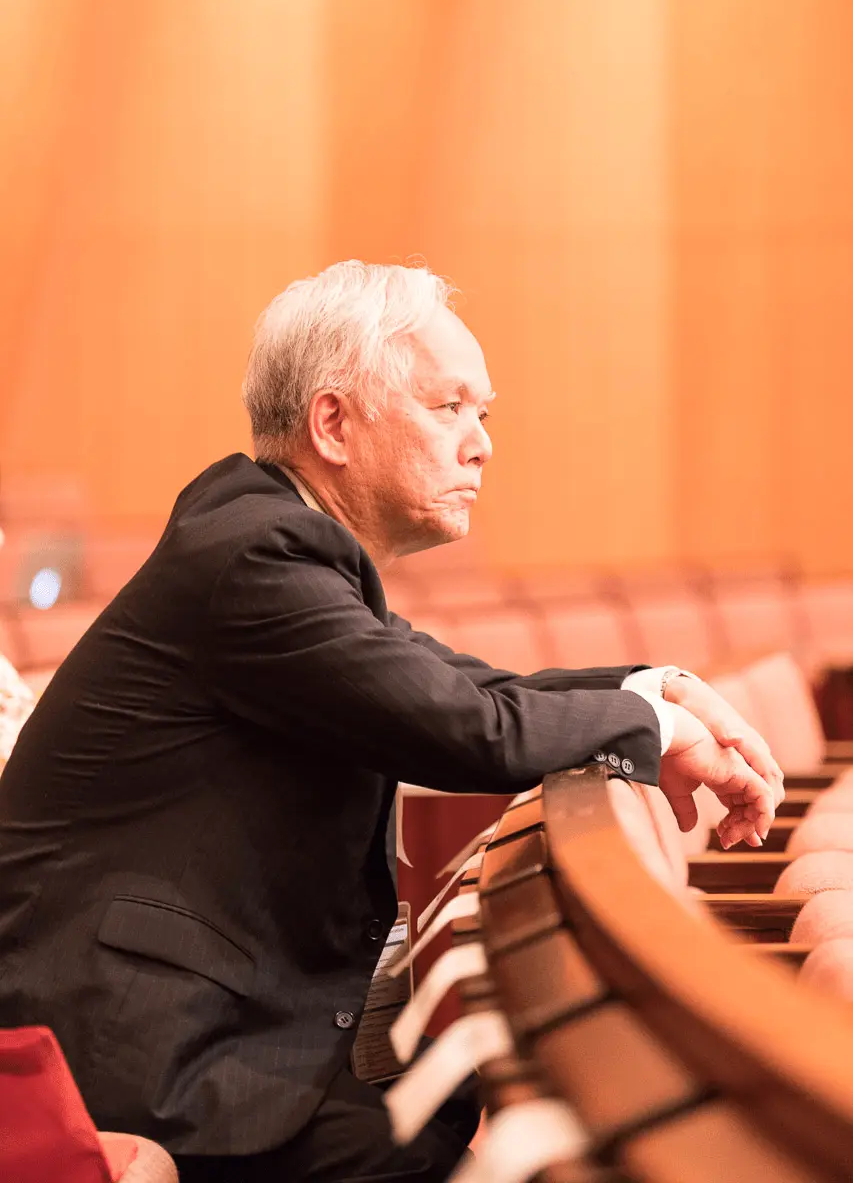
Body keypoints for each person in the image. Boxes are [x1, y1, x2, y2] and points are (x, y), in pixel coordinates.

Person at [0, 261, 782, 1182]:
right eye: (448, 408)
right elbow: (461, 728)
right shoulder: (255, 556)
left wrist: (660, 690)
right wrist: (652, 726)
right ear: (333, 424)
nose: (480, 445)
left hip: (207, 1010)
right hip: (132, 1042)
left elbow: (462, 683)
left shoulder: (275, 540)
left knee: (451, 1114)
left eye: (483, 413)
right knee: (435, 1147)